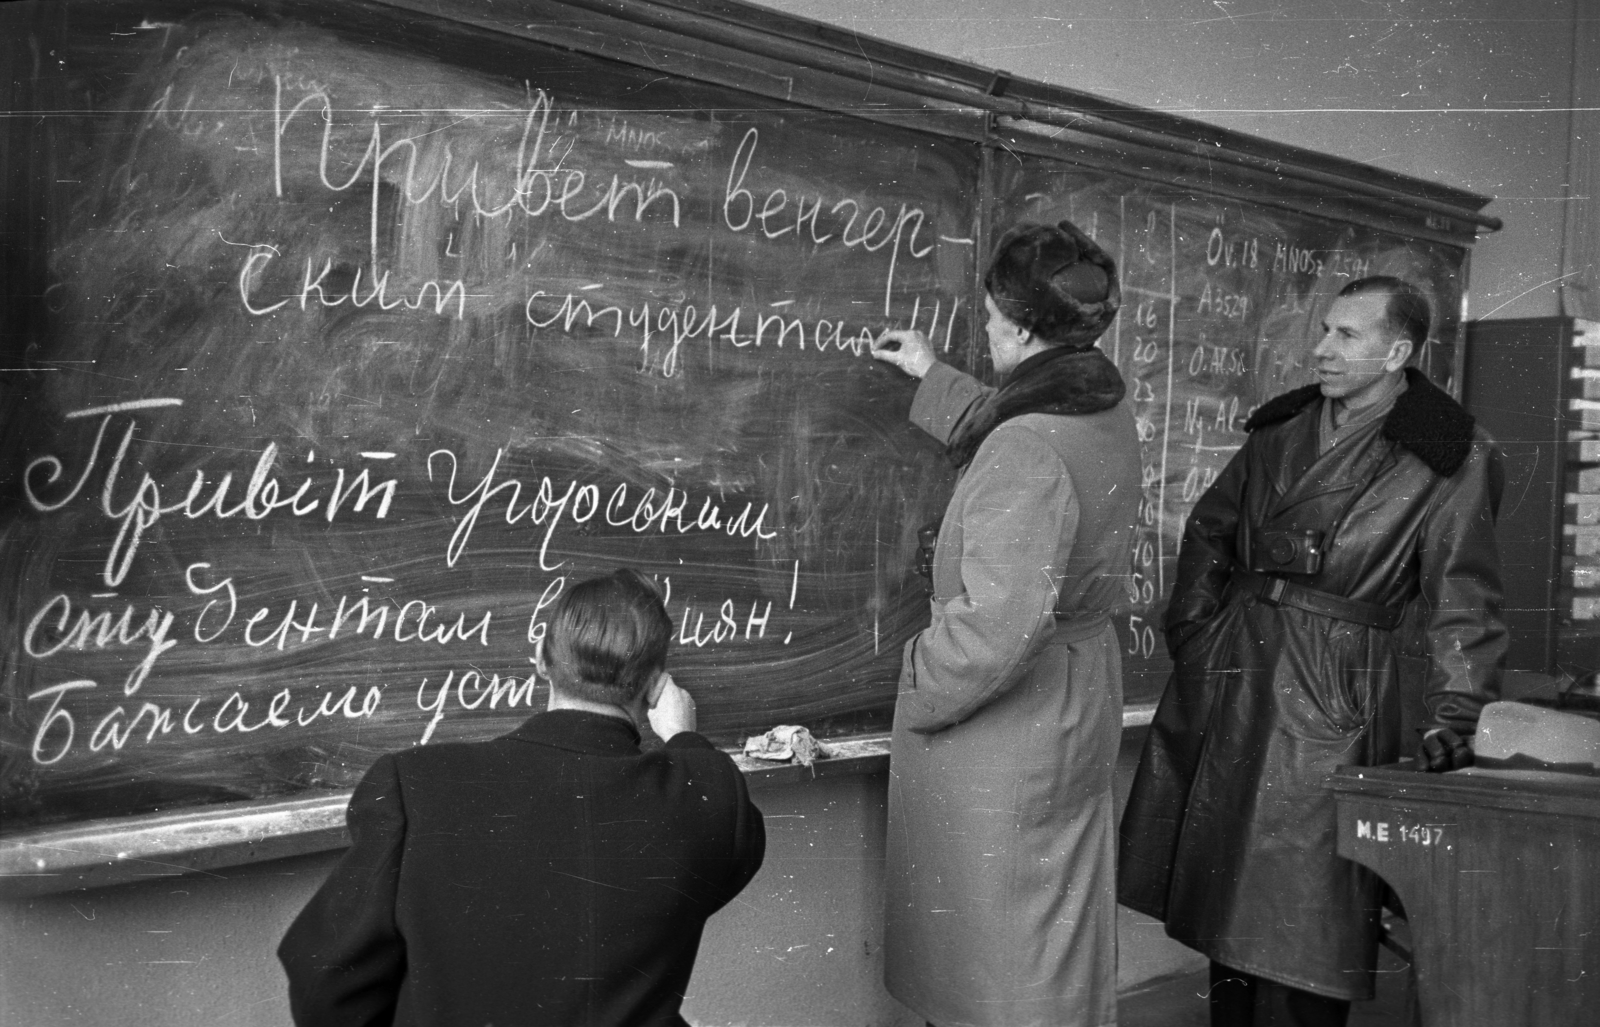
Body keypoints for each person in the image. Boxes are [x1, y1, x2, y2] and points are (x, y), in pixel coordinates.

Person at [1118, 276, 1507, 1026]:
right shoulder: (1282, 429)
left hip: (1341, 692)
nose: (1322, 349)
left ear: (1398, 352)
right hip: (1237, 680)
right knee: (1226, 917)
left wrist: (1457, 721)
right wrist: (1200, 639)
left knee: (1306, 931)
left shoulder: (1450, 453)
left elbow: (1468, 603)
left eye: (1346, 335)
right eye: (1324, 329)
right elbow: (1209, 532)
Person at [277, 568, 766, 1027]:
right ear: (657, 687)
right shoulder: (704, 797)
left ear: (539, 658)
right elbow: (722, 835)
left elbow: (324, 980)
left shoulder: (416, 783)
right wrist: (684, 738)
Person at [871, 219, 1141, 1027]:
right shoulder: (1101, 398)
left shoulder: (1026, 448)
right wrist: (930, 372)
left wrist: (915, 681)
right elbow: (1018, 416)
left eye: (990, 319)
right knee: (1046, 935)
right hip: (1073, 699)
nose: (984, 328)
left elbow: (996, 629)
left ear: (1022, 328)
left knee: (999, 955)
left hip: (1009, 726)